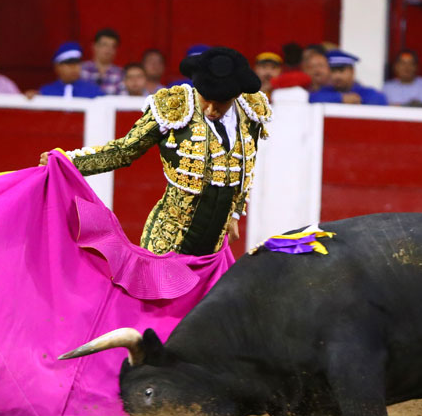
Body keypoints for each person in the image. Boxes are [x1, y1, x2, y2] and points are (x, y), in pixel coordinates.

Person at [39, 47, 272, 256]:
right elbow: (125, 150)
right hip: (168, 240)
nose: (211, 109)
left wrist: (234, 214)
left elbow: (245, 165)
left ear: (235, 96)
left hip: (213, 247)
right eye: (205, 99)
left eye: (220, 103)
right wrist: (68, 161)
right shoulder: (173, 106)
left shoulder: (249, 112)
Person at [308, 49, 387, 105]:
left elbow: (380, 99)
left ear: (352, 71)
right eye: (333, 71)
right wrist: (341, 98)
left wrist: (358, 99)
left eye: (341, 71)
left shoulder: (364, 91)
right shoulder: (326, 91)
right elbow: (312, 98)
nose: (337, 76)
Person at [38, 42, 104, 99]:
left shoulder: (93, 91)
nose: (74, 67)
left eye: (77, 63)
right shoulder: (46, 91)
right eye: (69, 64)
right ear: (57, 67)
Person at [81, 28, 124, 95]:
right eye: (104, 45)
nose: (109, 49)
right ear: (94, 46)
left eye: (113, 46)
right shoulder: (82, 69)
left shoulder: (120, 74)